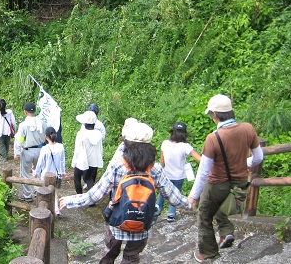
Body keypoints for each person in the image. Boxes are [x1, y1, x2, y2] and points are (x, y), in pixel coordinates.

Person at [60, 120, 190, 264]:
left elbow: (94, 195)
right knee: (132, 257)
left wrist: (70, 201)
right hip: (141, 225)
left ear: (126, 144)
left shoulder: (118, 166)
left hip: (116, 222)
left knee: (109, 254)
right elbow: (173, 197)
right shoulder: (155, 169)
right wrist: (191, 203)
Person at [189, 94, 264, 262]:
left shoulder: (213, 138)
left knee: (204, 215)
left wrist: (193, 196)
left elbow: (203, 172)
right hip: (241, 183)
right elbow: (259, 158)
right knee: (219, 208)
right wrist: (242, 163)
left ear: (214, 115)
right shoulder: (248, 129)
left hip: (217, 184)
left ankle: (208, 253)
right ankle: (226, 233)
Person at [155, 121, 201, 223]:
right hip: (179, 176)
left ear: (172, 132)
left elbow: (162, 162)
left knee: (163, 192)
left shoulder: (165, 144)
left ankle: (157, 208)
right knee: (175, 194)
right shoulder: (185, 146)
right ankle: (171, 214)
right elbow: (199, 159)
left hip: (166, 175)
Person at [13, 102, 46, 202]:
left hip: (27, 151)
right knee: (38, 171)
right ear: (35, 111)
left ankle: (27, 195)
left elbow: (19, 140)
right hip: (40, 150)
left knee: (25, 174)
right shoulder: (42, 123)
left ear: (25, 112)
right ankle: (38, 190)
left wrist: (17, 153)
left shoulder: (23, 125)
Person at [34, 127, 66, 216]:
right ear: (56, 135)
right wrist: (63, 172)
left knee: (44, 192)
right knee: (55, 192)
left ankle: (44, 209)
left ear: (46, 137)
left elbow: (40, 162)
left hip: (46, 175)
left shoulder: (45, 149)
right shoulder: (61, 147)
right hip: (57, 174)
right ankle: (56, 209)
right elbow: (62, 161)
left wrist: (36, 172)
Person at [71, 110, 104, 195]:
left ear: (85, 123)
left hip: (82, 160)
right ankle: (91, 199)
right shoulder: (98, 134)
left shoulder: (81, 134)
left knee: (77, 177)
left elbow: (77, 150)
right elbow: (100, 148)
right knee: (89, 179)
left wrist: (74, 162)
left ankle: (80, 196)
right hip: (94, 160)